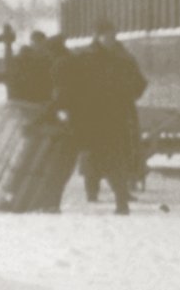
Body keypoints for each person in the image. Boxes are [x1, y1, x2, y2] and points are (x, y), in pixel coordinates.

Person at [63, 22, 146, 214]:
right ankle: (95, 191)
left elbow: (139, 83)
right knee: (97, 155)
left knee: (112, 156)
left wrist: (127, 96)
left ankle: (120, 201)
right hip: (96, 115)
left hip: (112, 115)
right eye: (107, 36)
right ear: (98, 36)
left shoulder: (118, 58)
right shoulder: (99, 58)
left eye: (113, 35)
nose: (111, 39)